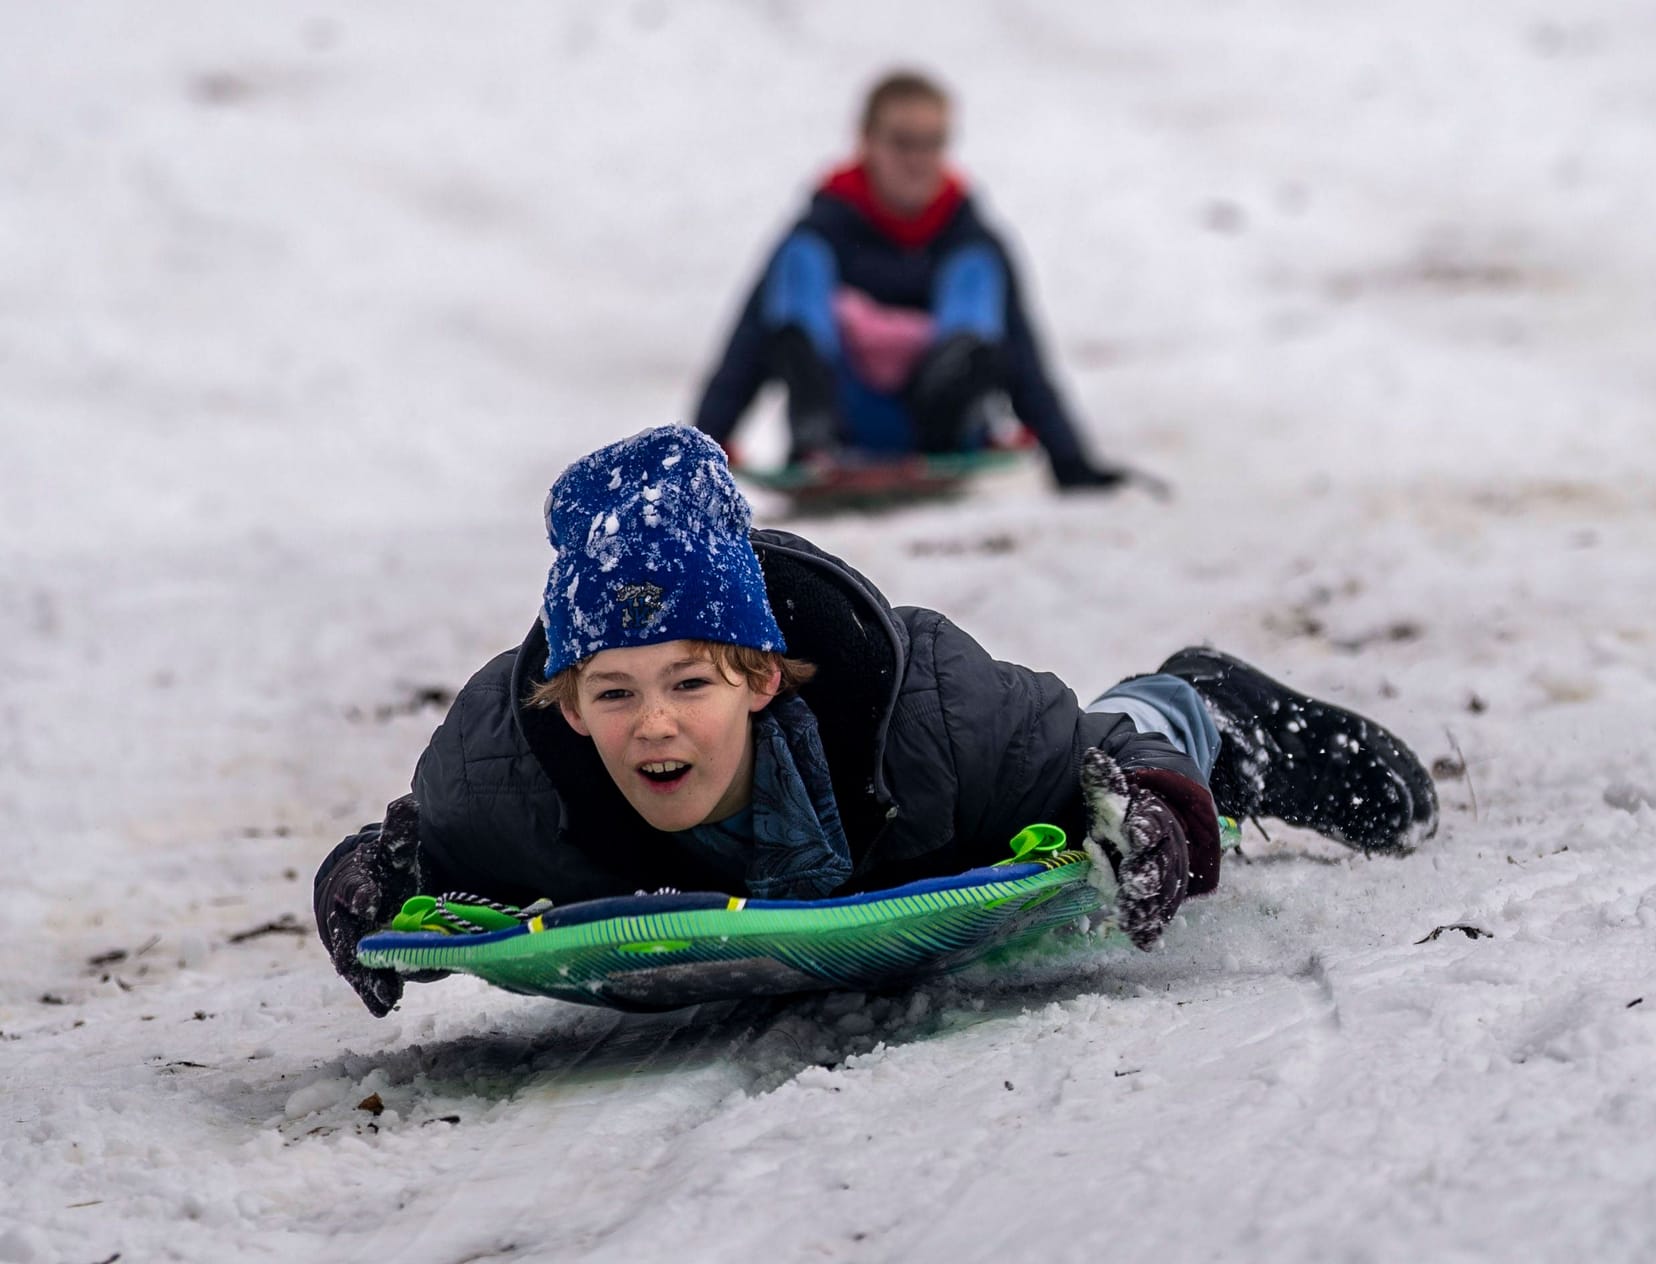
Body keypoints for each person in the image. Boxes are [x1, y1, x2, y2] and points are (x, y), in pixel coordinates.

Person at [315, 427, 1436, 1016]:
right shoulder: (507, 774)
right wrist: (371, 874)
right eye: (613, 692)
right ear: (566, 700)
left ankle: (1212, 701)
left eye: (690, 685)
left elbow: (1088, 762)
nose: (653, 723)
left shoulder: (927, 714)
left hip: (986, 783)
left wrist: (1157, 800)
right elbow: (427, 846)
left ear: (761, 679)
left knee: (1123, 737)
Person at [692, 69, 1129, 491]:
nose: (918, 161)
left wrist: (1071, 461)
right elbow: (745, 350)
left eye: (932, 143)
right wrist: (697, 463)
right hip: (846, 416)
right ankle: (816, 432)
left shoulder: (969, 234)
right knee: (800, 260)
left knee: (978, 266)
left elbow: (1024, 356)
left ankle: (949, 407)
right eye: (902, 143)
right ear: (866, 142)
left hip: (936, 421)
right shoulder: (823, 228)